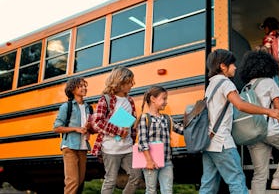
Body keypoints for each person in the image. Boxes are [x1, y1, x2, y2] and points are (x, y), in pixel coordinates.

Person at [199, 49, 279, 194]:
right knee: (237, 181)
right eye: (232, 64)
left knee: (208, 185)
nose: (235, 67)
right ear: (222, 66)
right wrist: (269, 111)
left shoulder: (211, 85)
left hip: (209, 143)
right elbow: (241, 105)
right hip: (222, 143)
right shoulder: (226, 83)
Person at [239, 50, 279, 193]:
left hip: (253, 134)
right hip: (269, 130)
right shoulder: (269, 82)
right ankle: (278, 178)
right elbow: (278, 107)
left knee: (259, 174)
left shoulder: (246, 87)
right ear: (268, 65)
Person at [91, 66, 142, 194]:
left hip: (128, 146)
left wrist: (134, 133)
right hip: (111, 148)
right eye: (129, 82)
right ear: (120, 82)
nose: (132, 84)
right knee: (111, 180)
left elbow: (131, 122)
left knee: (136, 175)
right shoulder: (106, 99)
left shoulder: (129, 100)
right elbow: (98, 122)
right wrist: (118, 131)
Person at [137, 86, 184, 194]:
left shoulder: (167, 118)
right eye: (164, 98)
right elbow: (142, 141)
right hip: (151, 161)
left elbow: (181, 130)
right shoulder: (145, 118)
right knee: (151, 190)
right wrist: (149, 161)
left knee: (168, 190)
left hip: (166, 161)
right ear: (153, 99)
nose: (166, 102)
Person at [53, 77, 93, 194]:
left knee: (80, 181)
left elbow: (91, 127)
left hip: (83, 147)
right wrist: (76, 129)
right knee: (72, 181)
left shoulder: (88, 107)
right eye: (80, 86)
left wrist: (90, 129)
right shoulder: (67, 107)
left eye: (84, 86)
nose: (84, 88)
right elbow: (56, 127)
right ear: (72, 89)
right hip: (69, 147)